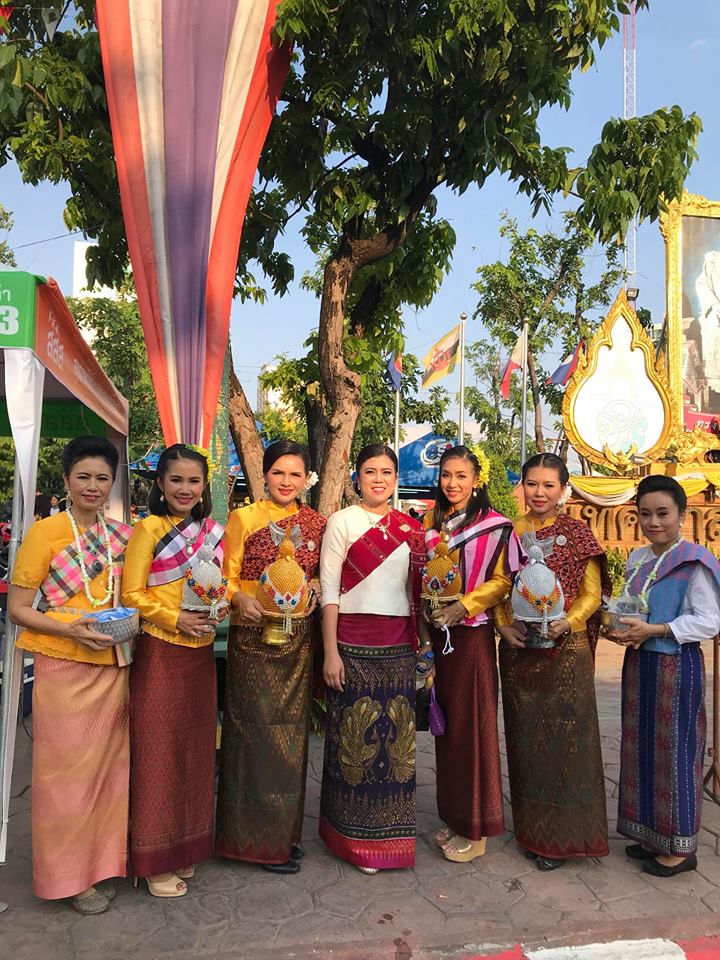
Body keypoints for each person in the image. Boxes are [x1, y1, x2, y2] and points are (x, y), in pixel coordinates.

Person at [8, 436, 132, 915]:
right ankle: (66, 877)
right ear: (66, 480)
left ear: (112, 482)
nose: (92, 486)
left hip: (112, 668)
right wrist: (69, 628)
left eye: (102, 477)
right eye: (83, 476)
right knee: (64, 779)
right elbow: (19, 608)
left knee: (107, 775)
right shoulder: (45, 533)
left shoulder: (122, 535)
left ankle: (99, 868)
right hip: (62, 666)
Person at [495, 452, 610, 871]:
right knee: (526, 742)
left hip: (566, 652)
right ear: (521, 487)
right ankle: (533, 832)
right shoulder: (511, 533)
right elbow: (499, 586)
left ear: (563, 489)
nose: (539, 492)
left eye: (548, 485)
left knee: (568, 742)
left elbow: (591, 594)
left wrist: (568, 622)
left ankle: (568, 836)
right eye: (532, 483)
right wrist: (502, 626)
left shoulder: (577, 533)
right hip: (520, 651)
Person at [215, 441, 326, 874]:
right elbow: (225, 576)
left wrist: (314, 587)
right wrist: (238, 598)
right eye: (278, 472)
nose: (286, 481)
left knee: (291, 739)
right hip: (251, 639)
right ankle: (247, 840)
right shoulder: (244, 518)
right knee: (250, 734)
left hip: (297, 641)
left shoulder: (316, 524)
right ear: (264, 474)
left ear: (306, 479)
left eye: (295, 474)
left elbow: (319, 576)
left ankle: (283, 836)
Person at [122, 443, 224, 898]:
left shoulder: (212, 533)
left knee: (195, 753)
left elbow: (223, 584)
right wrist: (174, 618)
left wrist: (221, 605)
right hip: (160, 653)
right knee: (158, 755)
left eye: (194, 481)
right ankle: (153, 860)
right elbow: (132, 594)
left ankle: (184, 845)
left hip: (200, 656)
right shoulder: (147, 530)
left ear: (204, 486)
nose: (185, 488)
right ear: (160, 484)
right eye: (176, 480)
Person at [319, 443, 425, 873]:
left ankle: (392, 837)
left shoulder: (412, 529)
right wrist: (331, 652)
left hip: (398, 649)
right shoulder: (341, 522)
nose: (378, 479)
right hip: (351, 645)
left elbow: (416, 595)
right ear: (356, 478)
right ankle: (351, 838)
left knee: (396, 744)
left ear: (396, 479)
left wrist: (425, 648)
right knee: (353, 745)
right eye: (370, 471)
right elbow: (329, 590)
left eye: (386, 472)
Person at [608, 475, 720, 877]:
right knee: (640, 750)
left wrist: (656, 630)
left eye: (662, 513)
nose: (653, 522)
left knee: (676, 752)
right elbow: (631, 604)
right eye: (645, 514)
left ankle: (680, 847)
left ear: (682, 515)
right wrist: (618, 626)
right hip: (640, 664)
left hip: (677, 664)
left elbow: (709, 621)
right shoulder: (638, 559)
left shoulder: (694, 562)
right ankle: (651, 834)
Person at [423, 444, 524, 863]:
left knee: (473, 732)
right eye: (446, 475)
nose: (452, 483)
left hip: (471, 638)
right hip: (440, 638)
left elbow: (503, 581)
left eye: (461, 476)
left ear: (477, 480)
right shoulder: (432, 522)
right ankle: (454, 817)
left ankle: (477, 830)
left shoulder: (496, 526)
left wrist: (463, 606)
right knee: (448, 732)